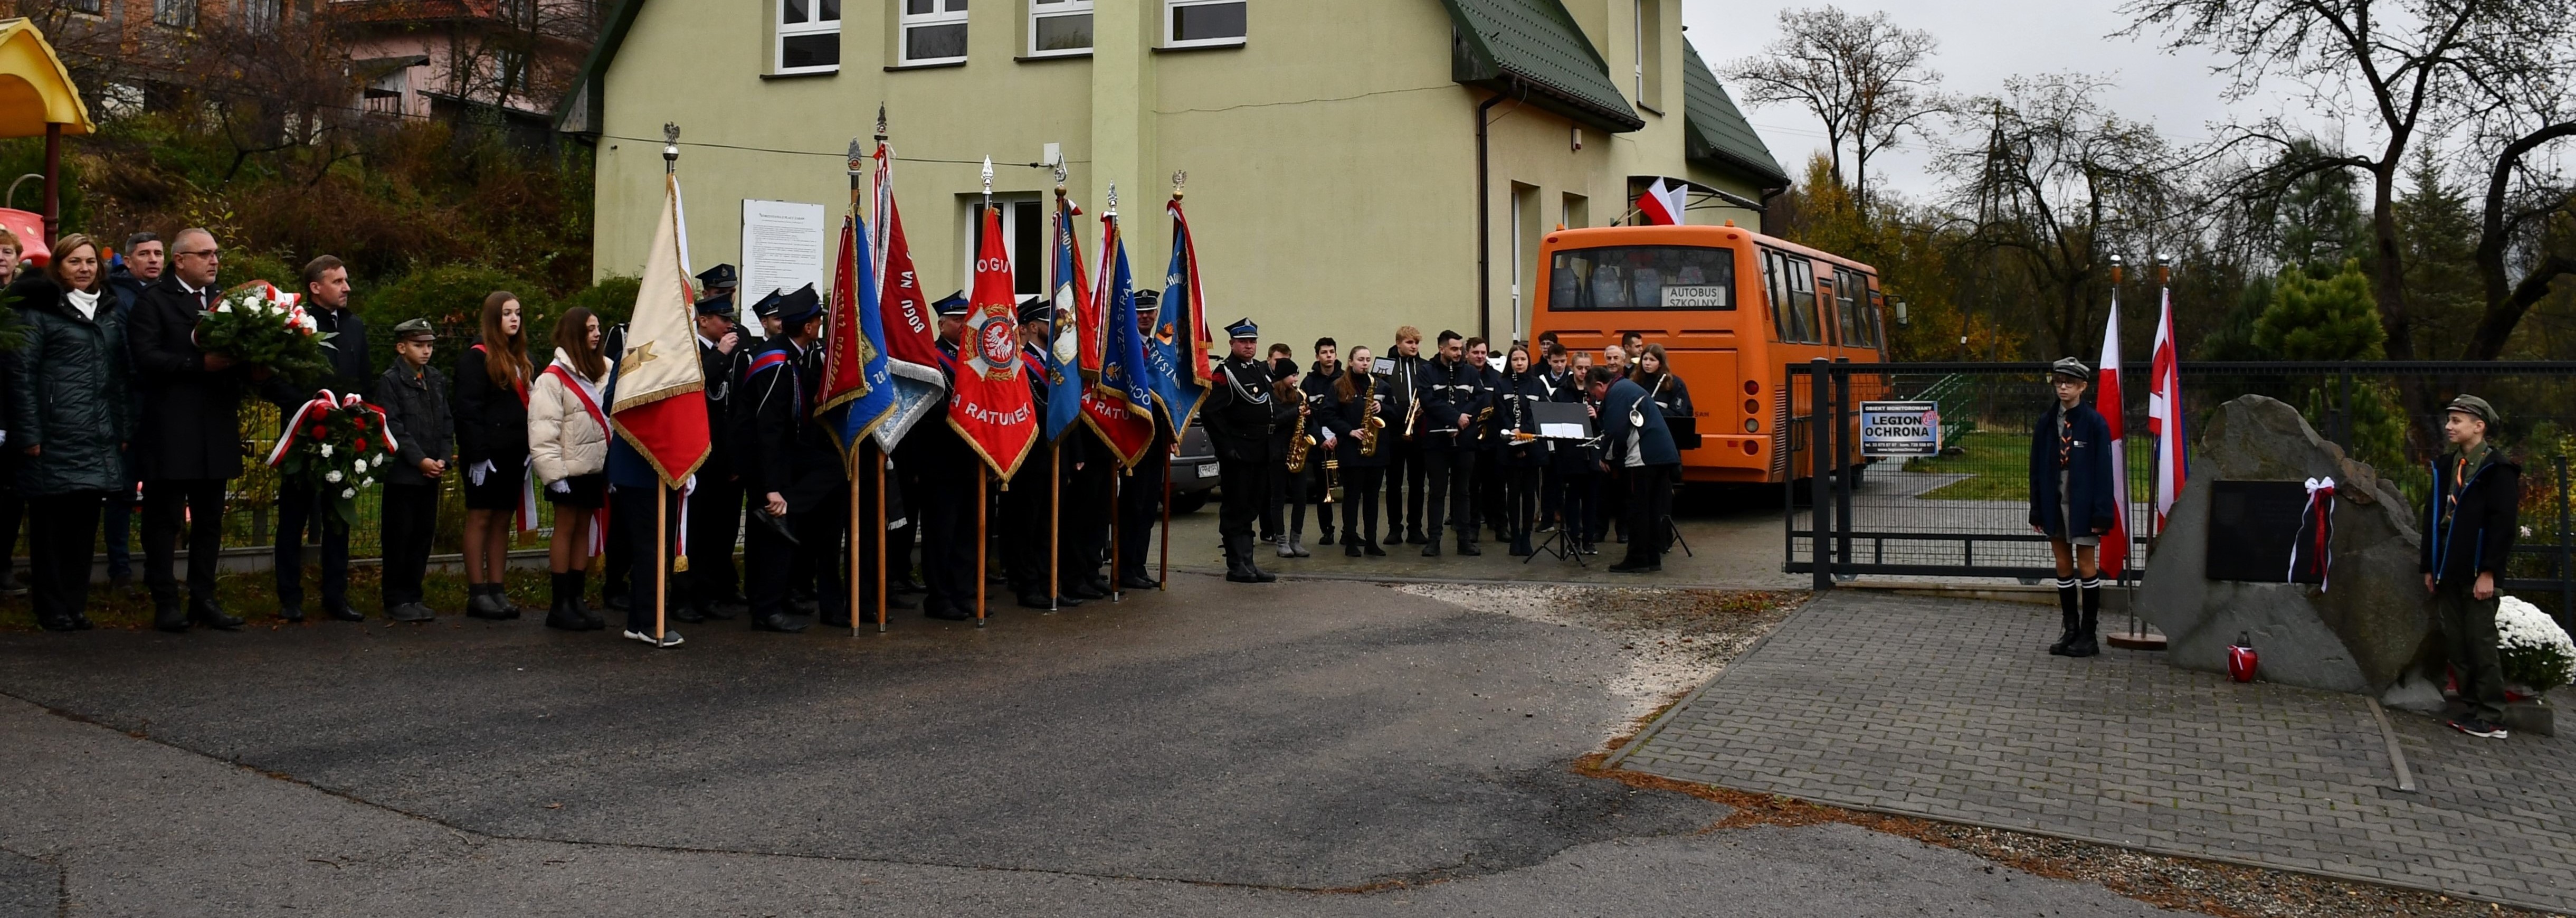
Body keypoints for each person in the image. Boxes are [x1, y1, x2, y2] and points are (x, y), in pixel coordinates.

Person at [7, 235, 131, 631]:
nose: (84, 268)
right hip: (53, 436)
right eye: (74, 261)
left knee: (83, 529)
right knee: (49, 530)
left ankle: (76, 605)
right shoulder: (39, 311)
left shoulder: (109, 312)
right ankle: (51, 607)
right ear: (58, 267)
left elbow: (119, 379)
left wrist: (121, 427)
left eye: (91, 261)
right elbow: (21, 375)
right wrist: (29, 432)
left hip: (96, 436)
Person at [128, 227, 248, 632]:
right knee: (164, 519)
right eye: (205, 254)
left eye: (217, 253)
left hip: (215, 425)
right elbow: (145, 358)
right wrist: (198, 366)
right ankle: (165, 599)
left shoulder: (229, 303)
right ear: (180, 261)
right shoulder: (154, 303)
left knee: (210, 518)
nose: (214, 260)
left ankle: (204, 598)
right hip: (171, 428)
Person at [268, 255, 371, 623]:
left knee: (338, 518)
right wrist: (306, 408)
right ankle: (290, 596)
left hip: (344, 436)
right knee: (293, 517)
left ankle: (335, 595)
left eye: (347, 280)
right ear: (316, 287)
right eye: (338, 281)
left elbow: (364, 378)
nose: (347, 287)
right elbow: (273, 377)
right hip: (303, 431)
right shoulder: (294, 325)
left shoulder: (355, 325)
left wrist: (361, 418)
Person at [738, 285, 840, 632]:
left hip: (786, 453)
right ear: (809, 327)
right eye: (818, 320)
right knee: (776, 531)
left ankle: (771, 600)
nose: (820, 325)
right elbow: (767, 430)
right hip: (767, 461)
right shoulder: (776, 363)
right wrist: (773, 489)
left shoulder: (789, 354)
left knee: (833, 468)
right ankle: (766, 611)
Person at [2423, 394, 2520, 739]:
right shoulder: (2447, 465)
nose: (2449, 426)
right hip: (2448, 568)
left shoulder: (2497, 469)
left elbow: (2502, 525)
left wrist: (2489, 571)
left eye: (2456, 420)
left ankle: (2492, 715)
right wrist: (2428, 565)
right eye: (2449, 420)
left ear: (2478, 426)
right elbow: (2432, 518)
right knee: (2457, 642)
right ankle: (2471, 707)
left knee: (2480, 643)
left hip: (2478, 571)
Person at [529, 307, 613, 631]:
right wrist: (554, 474)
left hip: (595, 467)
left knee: (584, 530)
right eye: (590, 329)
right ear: (574, 333)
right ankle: (560, 604)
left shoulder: (604, 370)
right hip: (567, 469)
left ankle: (577, 600)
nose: (596, 334)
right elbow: (542, 430)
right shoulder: (552, 378)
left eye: (598, 328)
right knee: (565, 529)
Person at [453, 291, 535, 621]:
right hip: (485, 457)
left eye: (517, 313)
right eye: (506, 314)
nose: (514, 319)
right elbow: (468, 410)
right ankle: (478, 593)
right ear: (492, 318)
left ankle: (497, 588)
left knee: (502, 521)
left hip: (516, 454)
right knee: (481, 517)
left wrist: (531, 449)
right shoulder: (475, 359)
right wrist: (476, 454)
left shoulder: (525, 359)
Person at [2027, 357, 2116, 657]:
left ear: (2082, 387)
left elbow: (2105, 471)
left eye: (2070, 383)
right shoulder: (2046, 422)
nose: (2063, 387)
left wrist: (2102, 513)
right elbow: (2036, 468)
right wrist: (2037, 508)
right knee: (2063, 564)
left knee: (2086, 564)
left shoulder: (2093, 423)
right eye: (2058, 382)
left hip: (2084, 502)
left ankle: (2089, 634)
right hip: (2054, 500)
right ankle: (2071, 629)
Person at [1003, 296, 1083, 609]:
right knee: (1028, 524)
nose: (1057, 327)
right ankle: (1028, 586)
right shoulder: (1019, 362)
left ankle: (1050, 583)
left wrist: (1074, 452)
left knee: (1051, 525)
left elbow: (1067, 408)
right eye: (1050, 323)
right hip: (1029, 456)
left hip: (1055, 454)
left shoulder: (1054, 363)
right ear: (1033, 327)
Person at [373, 319, 451, 623]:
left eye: (430, 345)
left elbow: (445, 422)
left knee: (422, 537)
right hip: (405, 474)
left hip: (431, 471)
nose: (426, 351)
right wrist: (420, 460)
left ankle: (413, 594)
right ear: (402, 347)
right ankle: (395, 598)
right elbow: (394, 427)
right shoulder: (391, 381)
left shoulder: (436, 379)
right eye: (419, 345)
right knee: (399, 537)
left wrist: (443, 457)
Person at [910, 291, 982, 618]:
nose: (963, 325)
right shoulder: (932, 359)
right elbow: (926, 409)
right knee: (942, 533)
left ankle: (962, 592)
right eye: (956, 320)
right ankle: (939, 598)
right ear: (941, 324)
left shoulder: (975, 359)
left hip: (971, 459)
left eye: (966, 319)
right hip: (940, 461)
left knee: (968, 531)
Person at [99, 232, 163, 594]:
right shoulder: (116, 295)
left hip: (164, 405)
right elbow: (125, 350)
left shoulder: (169, 293)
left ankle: (158, 568)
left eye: (158, 253)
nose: (153, 259)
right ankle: (119, 570)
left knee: (160, 490)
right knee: (123, 491)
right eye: (145, 254)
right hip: (128, 402)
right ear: (129, 259)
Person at [1200, 318, 1285, 582]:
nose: (1249, 346)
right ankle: (1236, 565)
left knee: (1253, 505)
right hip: (1239, 450)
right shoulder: (1225, 373)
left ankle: (1249, 562)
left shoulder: (1258, 370)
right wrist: (1226, 448)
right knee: (1236, 506)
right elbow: (1211, 412)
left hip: (1261, 449)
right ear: (1232, 343)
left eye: (1253, 341)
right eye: (1244, 342)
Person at [685, 290, 747, 621]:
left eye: (729, 318)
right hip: (697, 458)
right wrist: (720, 355)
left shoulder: (734, 351)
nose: (728, 324)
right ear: (703, 320)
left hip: (723, 455)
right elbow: (694, 386)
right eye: (722, 319)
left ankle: (717, 589)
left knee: (721, 531)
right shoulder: (692, 350)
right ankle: (694, 594)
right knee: (698, 531)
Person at [1592, 365, 1678, 573]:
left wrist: (1605, 457)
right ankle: (1652, 557)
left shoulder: (1617, 393)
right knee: (1653, 508)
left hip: (1642, 458)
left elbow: (1616, 431)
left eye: (1592, 393)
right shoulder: (1628, 387)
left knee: (1638, 509)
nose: (1594, 398)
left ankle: (1637, 558)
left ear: (1599, 385)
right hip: (1662, 455)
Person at [1114, 291, 1172, 591]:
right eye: (1141, 313)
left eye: (1151, 312)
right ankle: (1124, 567)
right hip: (1133, 439)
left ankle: (1138, 565)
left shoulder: (1161, 348)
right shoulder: (1125, 347)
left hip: (1156, 439)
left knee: (1149, 508)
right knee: (1132, 507)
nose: (1147, 317)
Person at [1418, 330, 1486, 557]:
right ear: (1442, 349)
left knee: (1463, 492)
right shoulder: (1427, 371)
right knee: (1437, 491)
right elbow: (1428, 401)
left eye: (1461, 349)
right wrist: (1453, 417)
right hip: (1436, 441)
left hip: (1464, 440)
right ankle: (1434, 541)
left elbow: (1479, 398)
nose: (1459, 353)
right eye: (1454, 349)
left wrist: (1463, 418)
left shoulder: (1469, 372)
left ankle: (1464, 541)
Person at [1326, 345, 1387, 557]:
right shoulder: (1338, 386)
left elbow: (1397, 412)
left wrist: (1383, 409)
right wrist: (1350, 431)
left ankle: (1372, 541)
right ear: (1351, 362)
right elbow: (1328, 415)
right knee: (1352, 497)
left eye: (1368, 360)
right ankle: (1350, 540)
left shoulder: (1379, 385)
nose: (1365, 364)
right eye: (1361, 360)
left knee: (1372, 498)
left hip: (1375, 452)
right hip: (1351, 451)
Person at [1270, 375, 1334, 559]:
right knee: (1278, 498)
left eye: (1296, 375)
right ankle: (1281, 542)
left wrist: (1309, 415)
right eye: (1292, 376)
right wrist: (1296, 413)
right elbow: (1274, 420)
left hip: (1298, 452)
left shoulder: (1299, 396)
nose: (1295, 379)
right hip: (1277, 453)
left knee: (1301, 497)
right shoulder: (1271, 396)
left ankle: (1295, 541)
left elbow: (1310, 425)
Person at [1496, 345, 1551, 557]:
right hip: (1509, 446)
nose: (1519, 363)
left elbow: (1539, 414)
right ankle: (1515, 535)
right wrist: (1514, 436)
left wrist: (1524, 434)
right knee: (1513, 494)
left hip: (1532, 447)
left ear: (1529, 362)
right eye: (1515, 360)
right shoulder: (1502, 384)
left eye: (1523, 359)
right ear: (1510, 363)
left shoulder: (1538, 385)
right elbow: (1501, 414)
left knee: (1529, 494)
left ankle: (1527, 536)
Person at [1382, 327, 1429, 545]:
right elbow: (1379, 395)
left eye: (1417, 343)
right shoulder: (1385, 366)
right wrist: (1398, 411)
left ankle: (1415, 528)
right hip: (1393, 431)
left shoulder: (1424, 366)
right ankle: (1394, 528)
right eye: (1410, 343)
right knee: (1393, 483)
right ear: (1399, 343)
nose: (1414, 347)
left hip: (1419, 432)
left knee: (1418, 483)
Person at [1299, 338, 1342, 546]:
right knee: (1324, 491)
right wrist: (1321, 439)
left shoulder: (1345, 379)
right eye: (1324, 352)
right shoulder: (1309, 383)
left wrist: (1339, 436)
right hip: (1320, 444)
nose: (1329, 356)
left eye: (1332, 352)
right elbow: (1307, 416)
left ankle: (1349, 531)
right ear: (1317, 356)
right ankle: (1327, 531)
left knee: (1349, 489)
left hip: (1342, 442)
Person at [1632, 344, 1691, 420]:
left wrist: (1653, 412)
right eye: (1645, 359)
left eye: (1652, 360)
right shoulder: (1635, 381)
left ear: (1660, 363)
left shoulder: (1675, 384)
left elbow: (1679, 413)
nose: (1647, 363)